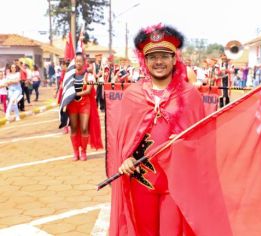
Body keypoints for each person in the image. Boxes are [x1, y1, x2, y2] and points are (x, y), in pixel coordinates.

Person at [109, 24, 205, 236]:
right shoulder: (132, 95)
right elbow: (123, 140)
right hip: (142, 181)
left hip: (176, 184)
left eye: (164, 56)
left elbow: (201, 143)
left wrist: (184, 143)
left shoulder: (190, 96)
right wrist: (125, 159)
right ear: (145, 61)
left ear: (174, 59)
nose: (158, 61)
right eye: (152, 57)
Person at [66, 53, 103, 161]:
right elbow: (66, 88)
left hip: (85, 104)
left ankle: (83, 151)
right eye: (76, 61)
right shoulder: (70, 75)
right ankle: (75, 152)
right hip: (72, 104)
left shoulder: (89, 75)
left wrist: (76, 94)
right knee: (73, 128)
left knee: (84, 128)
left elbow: (88, 90)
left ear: (84, 62)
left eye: (80, 61)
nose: (78, 63)